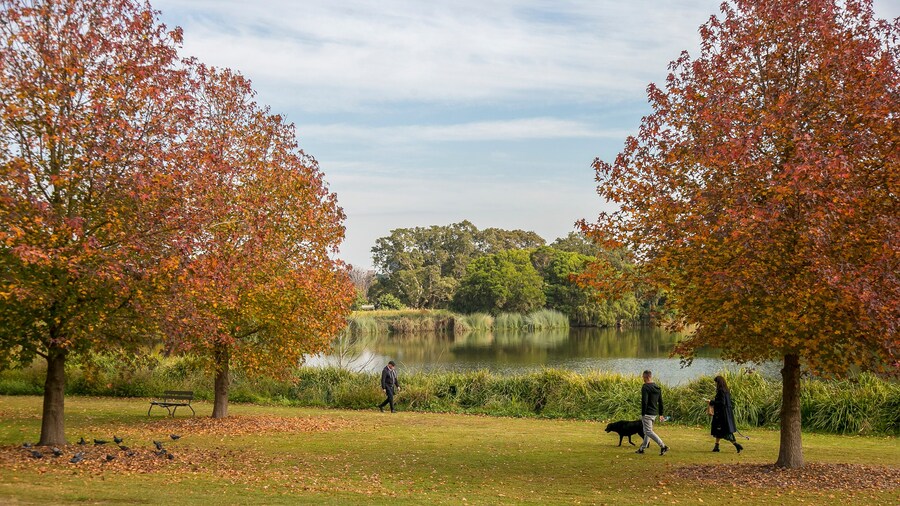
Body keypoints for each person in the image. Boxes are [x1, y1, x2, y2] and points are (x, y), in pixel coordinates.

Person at [637, 370, 669, 455]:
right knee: (647, 431)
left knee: (648, 432)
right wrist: (661, 414)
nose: (643, 379)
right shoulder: (657, 387)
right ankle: (642, 449)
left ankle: (663, 446)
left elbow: (645, 401)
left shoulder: (645, 387)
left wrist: (643, 413)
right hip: (654, 413)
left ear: (646, 377)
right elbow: (660, 402)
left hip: (647, 413)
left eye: (643, 377)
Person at [709, 375, 743, 453]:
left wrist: (711, 402)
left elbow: (722, 403)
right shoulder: (726, 390)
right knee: (718, 431)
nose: (715, 384)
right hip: (725, 414)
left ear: (719, 383)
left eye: (716, 383)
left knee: (725, 431)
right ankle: (716, 447)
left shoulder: (721, 391)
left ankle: (736, 445)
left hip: (721, 415)